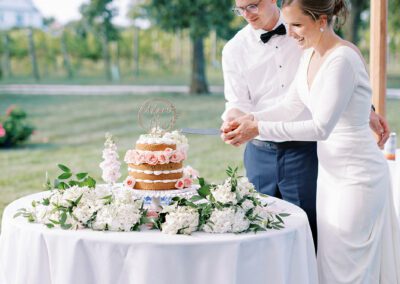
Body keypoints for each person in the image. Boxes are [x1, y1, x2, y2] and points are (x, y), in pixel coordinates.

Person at [222, 0, 400, 283]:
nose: (290, 33)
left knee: (349, 268)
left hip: (356, 177)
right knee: (327, 264)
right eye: (289, 25)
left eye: (296, 25)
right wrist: (249, 120)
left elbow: (320, 127)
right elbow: (290, 105)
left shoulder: (343, 59)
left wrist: (258, 127)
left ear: (320, 21)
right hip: (329, 177)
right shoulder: (308, 54)